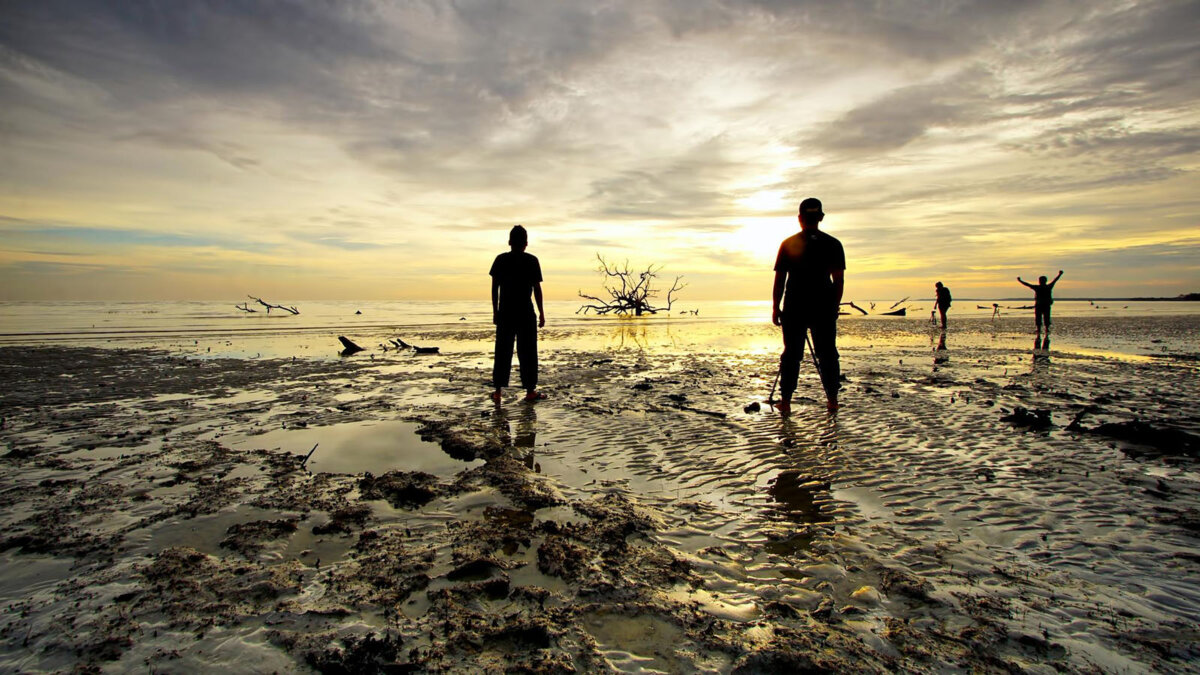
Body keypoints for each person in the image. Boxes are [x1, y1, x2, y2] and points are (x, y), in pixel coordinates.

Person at [772, 198, 845, 413]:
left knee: (792, 354)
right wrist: (834, 306)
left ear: (800, 219)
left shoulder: (788, 243)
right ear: (820, 218)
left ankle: (786, 402)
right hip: (822, 306)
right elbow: (838, 281)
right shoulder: (833, 244)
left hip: (796, 306)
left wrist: (776, 306)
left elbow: (780, 280)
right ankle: (832, 400)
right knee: (827, 353)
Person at [490, 225, 545, 403]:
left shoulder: (501, 259)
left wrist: (495, 311)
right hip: (524, 313)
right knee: (528, 352)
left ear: (510, 242)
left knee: (503, 351)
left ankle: (498, 391)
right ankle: (530, 390)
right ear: (526, 243)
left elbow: (494, 288)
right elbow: (537, 289)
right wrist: (542, 313)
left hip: (506, 312)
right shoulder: (531, 260)